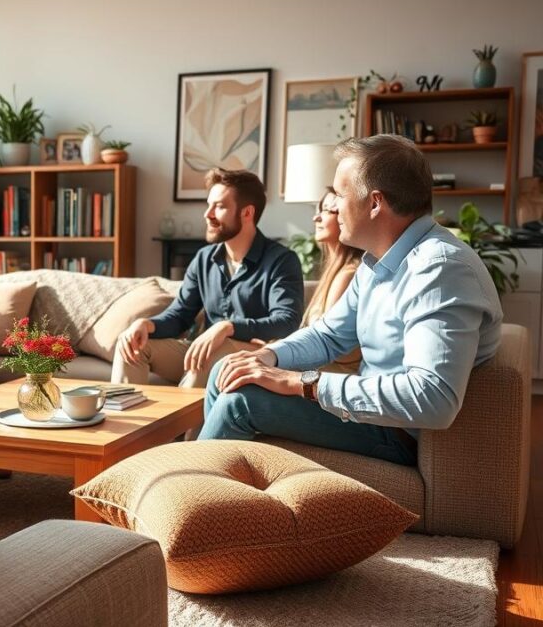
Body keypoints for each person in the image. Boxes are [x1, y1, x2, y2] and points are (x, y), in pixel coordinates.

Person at [203, 135, 504, 466]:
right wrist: (267, 356)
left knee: (240, 402)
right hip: (366, 411)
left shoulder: (439, 269)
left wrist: (300, 382)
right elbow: (329, 335)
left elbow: (432, 399)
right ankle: (221, 502)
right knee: (229, 369)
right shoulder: (377, 263)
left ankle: (185, 499)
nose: (331, 205)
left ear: (375, 203)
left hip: (394, 429)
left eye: (339, 195)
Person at [113, 168, 304, 387]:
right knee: (132, 344)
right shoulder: (204, 259)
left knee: (213, 351)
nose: (208, 214)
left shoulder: (281, 260)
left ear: (247, 213)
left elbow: (286, 321)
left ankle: (181, 422)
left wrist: (227, 327)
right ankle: (130, 421)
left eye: (219, 206)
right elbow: (180, 316)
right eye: (209, 204)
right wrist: (146, 324)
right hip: (206, 352)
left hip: (254, 356)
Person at [300, 188, 364, 373]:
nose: (316, 218)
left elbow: (327, 344)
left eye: (327, 210)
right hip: (319, 369)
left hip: (332, 377)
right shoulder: (335, 272)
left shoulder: (348, 274)